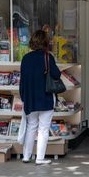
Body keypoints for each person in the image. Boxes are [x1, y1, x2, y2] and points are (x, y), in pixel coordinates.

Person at [20, 30, 61, 165]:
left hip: (30, 98)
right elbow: (56, 75)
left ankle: (26, 156)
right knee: (43, 129)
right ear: (45, 42)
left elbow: (23, 81)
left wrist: (23, 97)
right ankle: (40, 158)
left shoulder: (25, 59)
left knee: (31, 126)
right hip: (45, 97)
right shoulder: (47, 57)